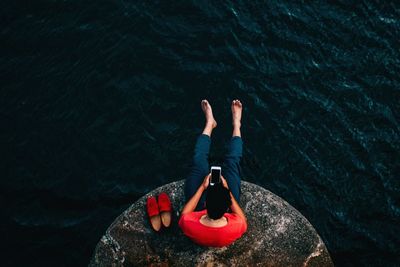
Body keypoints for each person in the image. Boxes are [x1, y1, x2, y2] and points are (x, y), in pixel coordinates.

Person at [179, 99, 247, 247]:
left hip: (204, 210)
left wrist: (202, 188)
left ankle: (209, 123)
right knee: (233, 161)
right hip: (221, 204)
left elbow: (184, 214)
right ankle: (237, 124)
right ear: (227, 209)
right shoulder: (236, 226)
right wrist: (227, 190)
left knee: (198, 161)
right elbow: (242, 219)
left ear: (206, 203)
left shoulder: (189, 223)